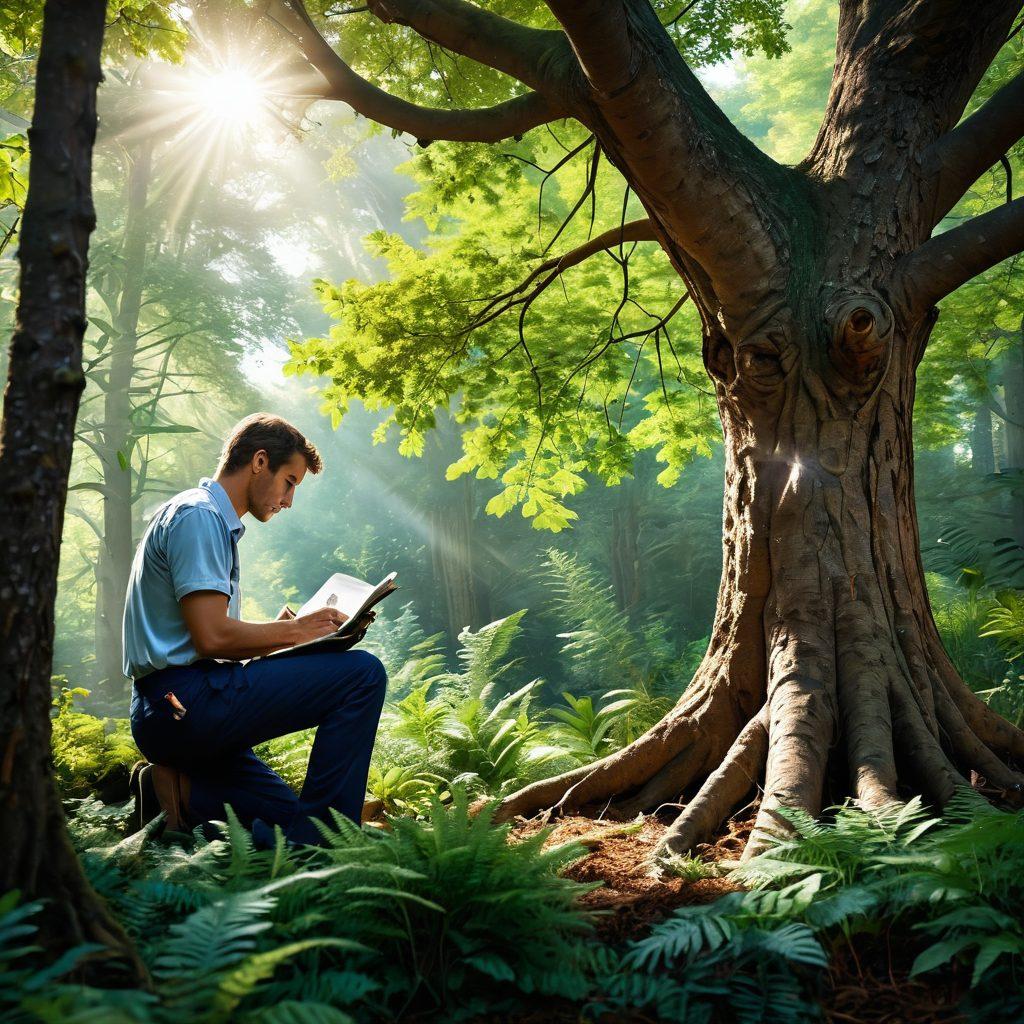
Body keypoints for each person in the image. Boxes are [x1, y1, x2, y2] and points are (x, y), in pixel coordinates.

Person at [124, 412, 388, 846]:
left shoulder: (207, 519)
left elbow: (205, 638)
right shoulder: (199, 517)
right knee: (362, 675)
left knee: (287, 815)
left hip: (175, 707)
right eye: (289, 482)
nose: (289, 500)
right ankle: (323, 849)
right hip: (183, 703)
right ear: (260, 462)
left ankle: (174, 794)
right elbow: (213, 637)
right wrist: (297, 632)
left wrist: (296, 637)